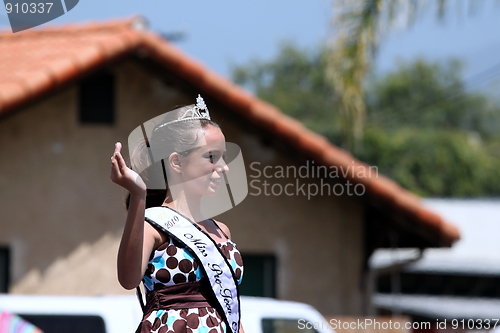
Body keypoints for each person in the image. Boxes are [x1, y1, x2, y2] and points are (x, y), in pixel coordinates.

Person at [110, 96, 244, 333]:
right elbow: (128, 279)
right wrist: (138, 195)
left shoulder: (221, 231)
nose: (224, 167)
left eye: (223, 156)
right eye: (212, 157)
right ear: (176, 162)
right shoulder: (153, 224)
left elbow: (231, 308)